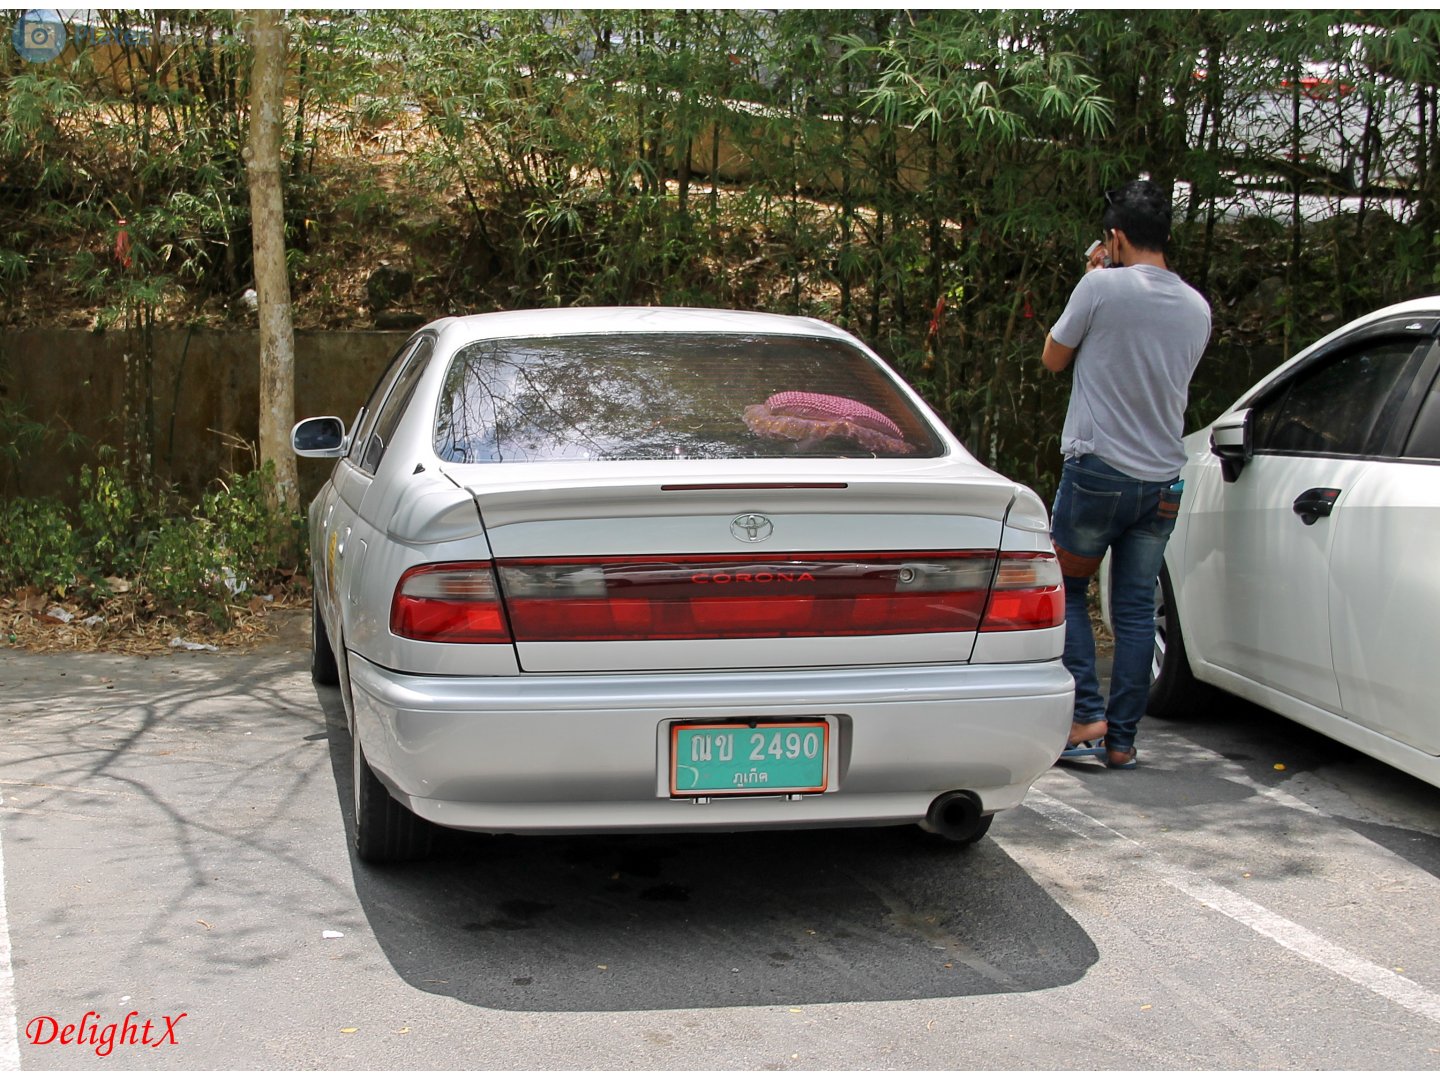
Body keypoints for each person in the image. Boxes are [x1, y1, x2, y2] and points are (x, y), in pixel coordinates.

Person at [1041, 179, 1211, 770]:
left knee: (1069, 590)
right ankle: (1123, 741)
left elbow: (1054, 357)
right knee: (1137, 609)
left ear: (1114, 237)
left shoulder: (1100, 286)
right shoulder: (1197, 306)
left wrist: (1090, 278)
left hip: (1098, 474)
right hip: (1162, 483)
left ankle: (1086, 714)